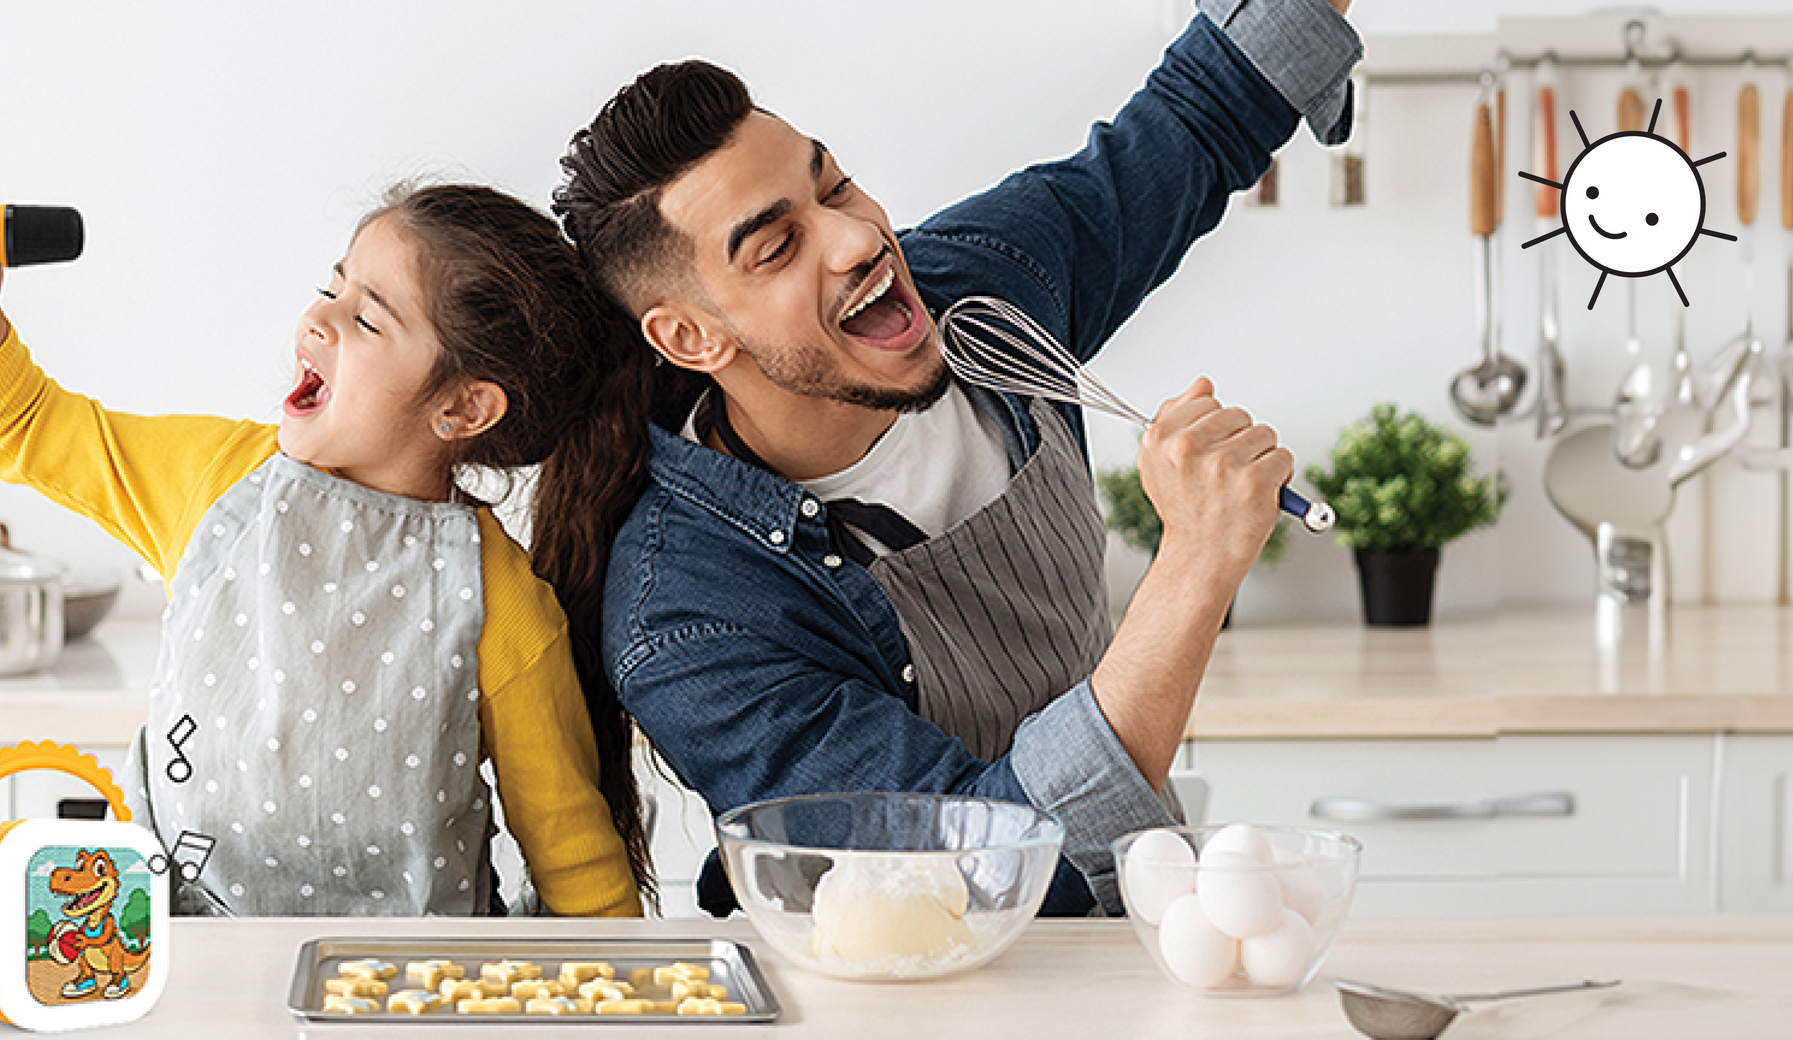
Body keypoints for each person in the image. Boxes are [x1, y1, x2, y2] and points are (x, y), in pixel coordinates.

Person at [528, 0, 1363, 917]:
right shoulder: (690, 615)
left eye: (835, 185)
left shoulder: (984, 292)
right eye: (778, 247)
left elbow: (1196, 121)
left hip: (1139, 925)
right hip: (897, 989)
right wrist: (1195, 567)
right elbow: (971, 869)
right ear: (689, 337)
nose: (858, 237)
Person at [0, 185, 649, 916]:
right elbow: (28, 428)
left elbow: (577, 867)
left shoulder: (503, 605)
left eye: (366, 318)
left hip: (407, 995)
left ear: (462, 408)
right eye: (331, 287)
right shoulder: (219, 483)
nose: (319, 318)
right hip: (179, 965)